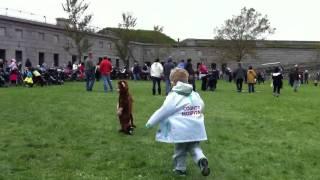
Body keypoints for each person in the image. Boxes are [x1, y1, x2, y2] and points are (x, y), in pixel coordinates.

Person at [146, 68, 210, 177]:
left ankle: (180, 169)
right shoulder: (194, 94)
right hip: (195, 128)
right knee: (194, 147)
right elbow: (201, 106)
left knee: (180, 150)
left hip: (181, 129)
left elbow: (164, 110)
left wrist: (150, 122)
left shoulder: (173, 96)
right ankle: (201, 159)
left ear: (173, 82)